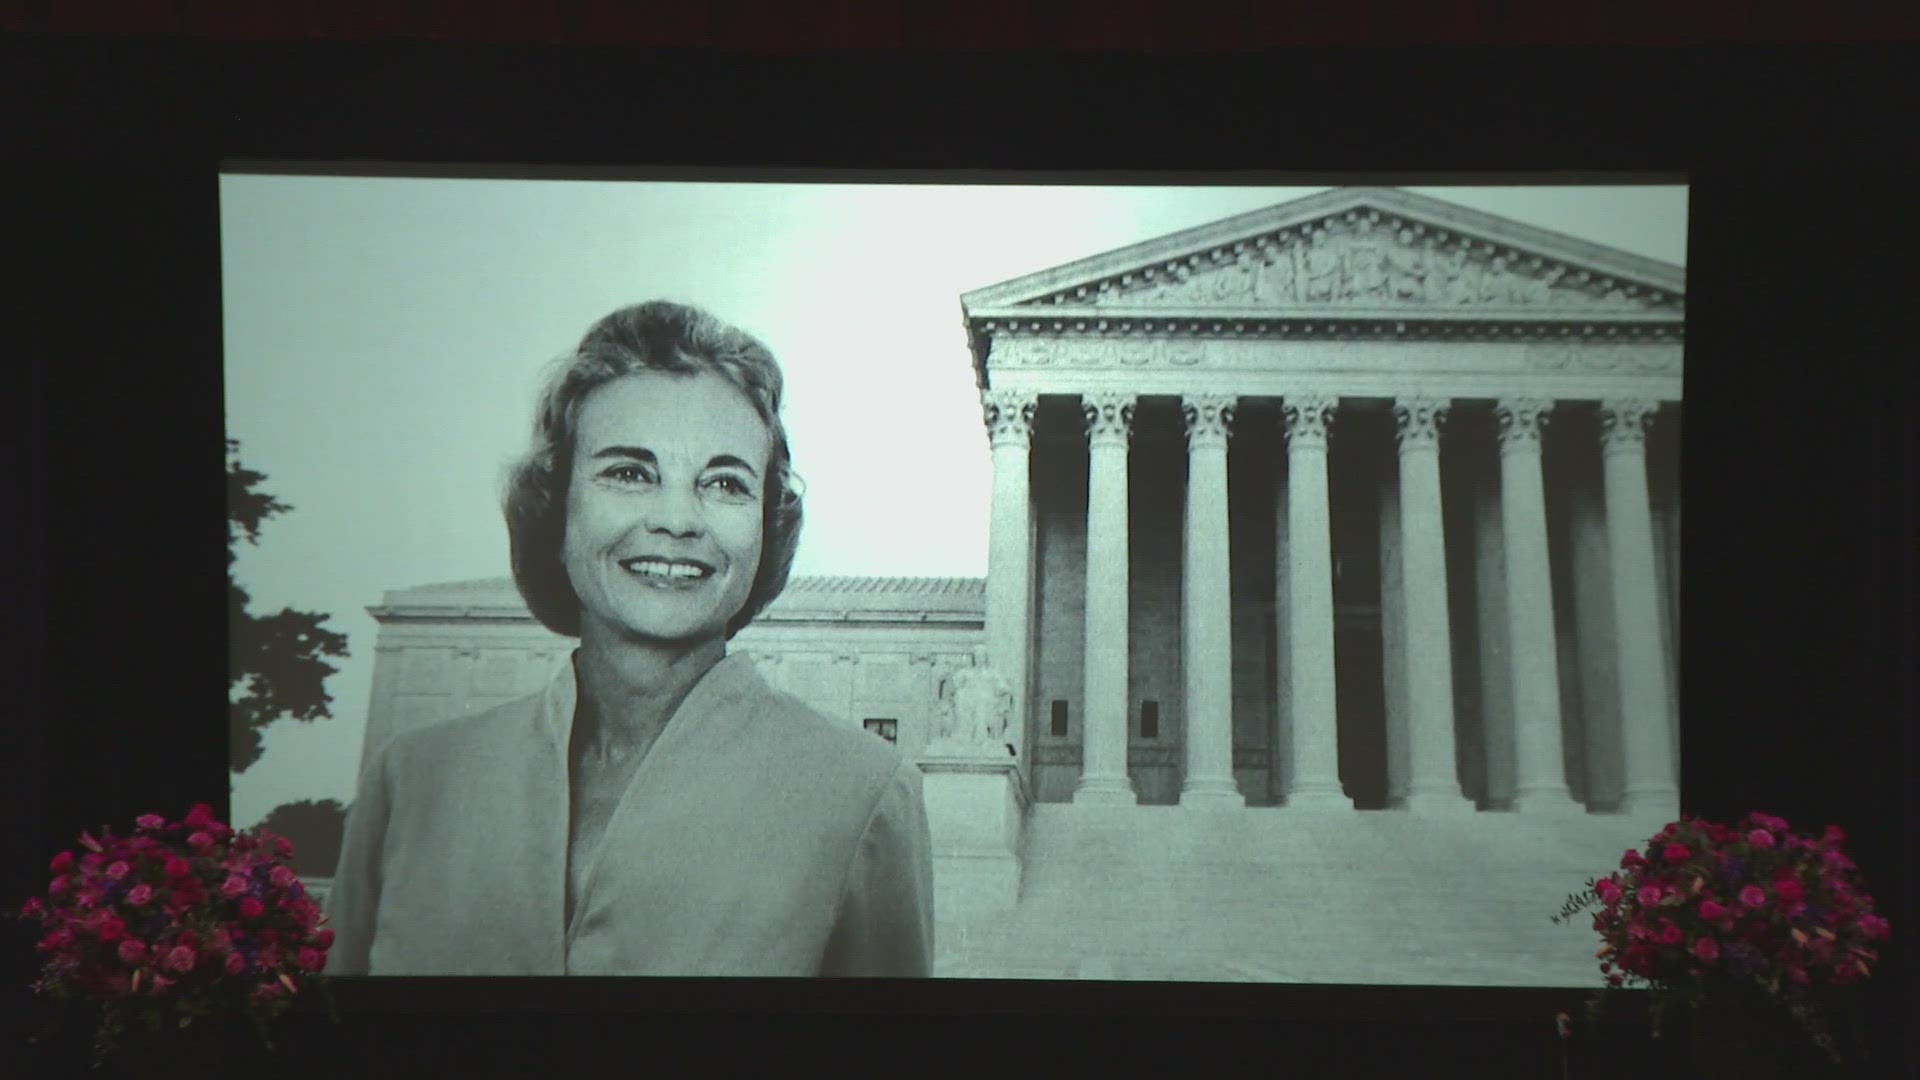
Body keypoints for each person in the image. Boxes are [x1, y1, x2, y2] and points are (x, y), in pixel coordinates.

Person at [324, 300, 936, 977]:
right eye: (628, 472)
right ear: (557, 508)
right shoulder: (412, 781)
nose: (678, 518)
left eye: (725, 482)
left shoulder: (864, 796)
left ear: (764, 527)